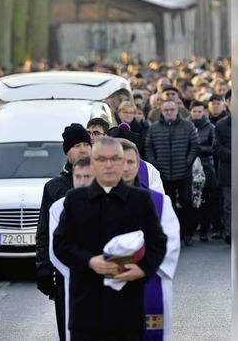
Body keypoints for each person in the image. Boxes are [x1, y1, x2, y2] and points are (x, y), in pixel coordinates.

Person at [53, 137, 167, 341]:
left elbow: (157, 242)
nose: (108, 165)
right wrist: (89, 261)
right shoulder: (75, 199)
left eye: (114, 159)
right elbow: (61, 243)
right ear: (93, 162)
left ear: (123, 162)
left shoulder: (140, 200)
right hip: (86, 308)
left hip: (127, 309)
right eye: (101, 159)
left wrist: (142, 269)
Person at [119, 139, 180, 341]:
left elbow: (170, 242)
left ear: (138, 165)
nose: (126, 168)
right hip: (109, 282)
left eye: (131, 162)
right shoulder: (95, 200)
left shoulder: (160, 202)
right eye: (121, 161)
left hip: (149, 279)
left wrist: (144, 267)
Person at [36, 123, 91, 341]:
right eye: (77, 145)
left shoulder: (103, 179)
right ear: (67, 151)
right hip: (65, 272)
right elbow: (44, 231)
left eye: (86, 144)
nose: (83, 149)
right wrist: (43, 268)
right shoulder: (54, 187)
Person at [48, 156, 95, 341]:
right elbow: (57, 247)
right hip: (74, 281)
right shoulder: (60, 207)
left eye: (88, 176)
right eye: (78, 176)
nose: (83, 182)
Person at [145, 101, 199, 246]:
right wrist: (154, 163)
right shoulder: (154, 128)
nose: (169, 112)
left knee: (187, 204)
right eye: (166, 110)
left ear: (177, 110)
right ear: (161, 111)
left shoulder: (187, 126)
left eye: (172, 109)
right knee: (169, 206)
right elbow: (148, 146)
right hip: (163, 174)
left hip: (183, 173)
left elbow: (194, 145)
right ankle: (173, 235)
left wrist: (187, 162)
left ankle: (187, 234)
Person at [189, 100, 217, 242]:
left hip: (206, 168)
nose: (197, 114)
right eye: (195, 111)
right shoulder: (187, 126)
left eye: (200, 111)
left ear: (204, 112)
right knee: (192, 200)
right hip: (189, 168)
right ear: (191, 112)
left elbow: (214, 147)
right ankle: (191, 229)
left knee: (206, 200)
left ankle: (204, 230)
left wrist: (197, 149)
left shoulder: (211, 127)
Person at [213, 110, 231, 244]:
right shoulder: (221, 125)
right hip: (228, 171)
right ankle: (231, 233)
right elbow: (217, 147)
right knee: (229, 205)